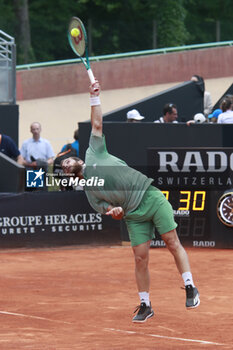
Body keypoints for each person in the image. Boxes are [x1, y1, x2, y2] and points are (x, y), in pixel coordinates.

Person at [62, 80, 200, 323]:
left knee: (171, 241)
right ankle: (145, 304)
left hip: (150, 196)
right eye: (62, 168)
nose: (65, 164)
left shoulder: (93, 152)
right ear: (69, 174)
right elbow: (109, 210)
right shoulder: (90, 190)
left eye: (66, 162)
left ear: (76, 159)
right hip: (134, 215)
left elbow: (96, 123)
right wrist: (114, 211)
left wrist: (94, 97)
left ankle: (190, 286)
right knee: (139, 258)